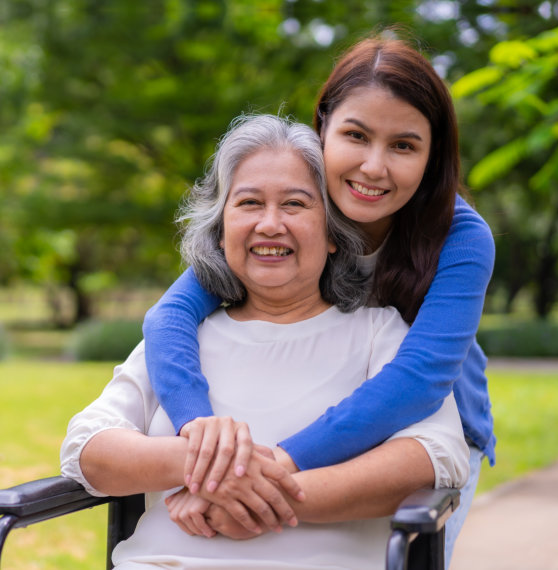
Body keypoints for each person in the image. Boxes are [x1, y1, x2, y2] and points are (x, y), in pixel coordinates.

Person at [142, 33, 496, 566]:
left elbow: (419, 380)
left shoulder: (462, 238)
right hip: (313, 414)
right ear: (323, 127)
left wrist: (266, 468)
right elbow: (169, 316)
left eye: (403, 145)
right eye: (356, 135)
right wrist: (203, 441)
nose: (374, 168)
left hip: (427, 425)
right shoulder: (288, 213)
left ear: (432, 155)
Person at [60, 114, 469, 570]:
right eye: (249, 203)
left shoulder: (379, 333)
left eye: (295, 204)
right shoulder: (180, 343)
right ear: (220, 228)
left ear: (334, 233)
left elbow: (434, 456)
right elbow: (86, 448)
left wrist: (260, 497)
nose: (270, 224)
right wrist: (202, 459)